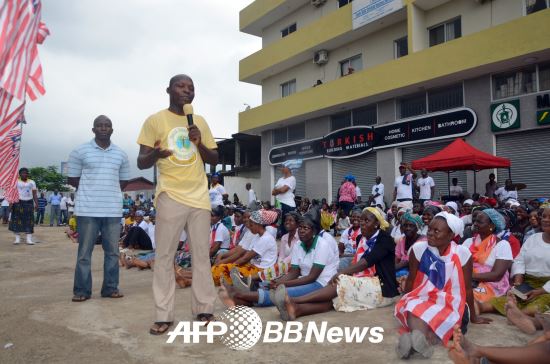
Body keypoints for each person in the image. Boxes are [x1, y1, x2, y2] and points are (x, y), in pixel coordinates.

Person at [137, 74, 219, 333]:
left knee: (201, 256)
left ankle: (204, 309)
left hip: (199, 197)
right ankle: (163, 315)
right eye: (181, 87)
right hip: (171, 194)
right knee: (164, 256)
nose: (187, 91)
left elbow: (214, 159)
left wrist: (199, 142)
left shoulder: (200, 122)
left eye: (191, 88)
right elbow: (141, 161)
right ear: (168, 90)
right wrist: (155, 154)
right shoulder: (155, 120)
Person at [273, 207, 399, 319]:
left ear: (377, 223)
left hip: (382, 289)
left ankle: (294, 301)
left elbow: (365, 263)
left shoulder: (385, 239)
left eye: (367, 221)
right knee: (337, 298)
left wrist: (342, 273)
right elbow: (357, 263)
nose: (362, 224)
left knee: (341, 281)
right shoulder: (362, 238)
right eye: (362, 220)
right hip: (365, 282)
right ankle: (297, 310)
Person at [394, 212, 490, 360]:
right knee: (414, 308)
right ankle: (419, 340)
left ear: (451, 235)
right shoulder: (418, 249)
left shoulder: (462, 253)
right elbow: (412, 280)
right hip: (425, 298)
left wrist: (474, 316)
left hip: (452, 302)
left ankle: (418, 342)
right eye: (429, 229)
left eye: (436, 231)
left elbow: (467, 288)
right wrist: (405, 301)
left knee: (447, 322)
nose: (430, 234)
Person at [68, 115, 130, 303]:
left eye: (107, 125)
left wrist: (107, 191)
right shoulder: (80, 151)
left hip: (112, 211)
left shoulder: (121, 154)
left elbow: (124, 181)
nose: (104, 128)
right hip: (87, 210)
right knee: (84, 253)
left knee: (112, 252)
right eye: (99, 125)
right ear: (93, 129)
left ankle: (110, 288)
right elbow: (72, 179)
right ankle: (82, 290)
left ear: (112, 129)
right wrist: (92, 190)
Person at [218, 215, 339, 308]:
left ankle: (239, 295)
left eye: (305, 228)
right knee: (271, 285)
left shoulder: (322, 245)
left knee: (283, 291)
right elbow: (294, 272)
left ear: (314, 232)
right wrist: (277, 281)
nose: (301, 231)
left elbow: (312, 277)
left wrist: (282, 284)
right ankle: (246, 301)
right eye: (300, 228)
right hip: (303, 278)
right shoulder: (298, 245)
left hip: (321, 283)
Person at [487, 206, 550, 325]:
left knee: (539, 306)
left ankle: (520, 316)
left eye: (549, 217)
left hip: (546, 290)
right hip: (526, 283)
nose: (545, 220)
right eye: (544, 216)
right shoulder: (533, 238)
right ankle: (477, 307)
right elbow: (520, 260)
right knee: (501, 301)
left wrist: (541, 291)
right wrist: (518, 282)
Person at [462, 209, 513, 315]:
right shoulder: (468, 242)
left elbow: (496, 275)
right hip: (468, 279)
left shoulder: (502, 245)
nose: (475, 223)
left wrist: (469, 275)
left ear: (492, 226)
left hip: (491, 283)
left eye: (480, 222)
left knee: (468, 295)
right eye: (475, 220)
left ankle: (472, 309)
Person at [211, 209, 278, 286]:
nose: (249, 226)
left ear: (258, 224)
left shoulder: (265, 238)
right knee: (220, 269)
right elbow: (245, 254)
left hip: (260, 269)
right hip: (253, 266)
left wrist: (232, 267)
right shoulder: (257, 236)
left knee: (221, 270)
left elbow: (245, 258)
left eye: (251, 225)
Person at [395, 212, 426, 291]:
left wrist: (392, 269)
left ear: (417, 227)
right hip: (402, 269)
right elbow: (397, 257)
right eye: (405, 225)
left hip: (416, 271)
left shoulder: (423, 241)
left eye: (411, 226)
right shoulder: (402, 240)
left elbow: (408, 262)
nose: (408, 228)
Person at [9, 167, 38, 245]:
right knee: (16, 220)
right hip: (18, 202)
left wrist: (36, 203)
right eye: (23, 173)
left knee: (29, 221)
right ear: (20, 174)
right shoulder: (15, 182)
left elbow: (34, 194)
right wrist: (10, 204)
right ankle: (17, 239)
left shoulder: (32, 182)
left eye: (26, 173)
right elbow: (12, 193)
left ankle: (29, 239)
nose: (25, 174)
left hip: (29, 203)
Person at [272, 163, 296, 236]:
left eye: (283, 167)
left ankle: (288, 241)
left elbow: (283, 190)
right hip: (279, 204)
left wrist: (278, 190)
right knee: (280, 224)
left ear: (288, 168)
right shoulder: (280, 179)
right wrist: (279, 190)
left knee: (286, 225)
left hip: (287, 205)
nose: (281, 169)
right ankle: (283, 240)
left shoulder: (292, 178)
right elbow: (273, 192)